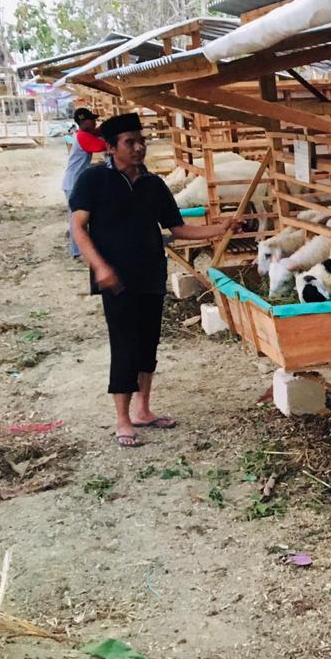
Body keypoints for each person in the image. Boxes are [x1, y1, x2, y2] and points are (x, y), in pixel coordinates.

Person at [68, 113, 240, 448]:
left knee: (148, 343)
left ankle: (143, 410)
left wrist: (219, 229)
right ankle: (122, 418)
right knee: (124, 344)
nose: (138, 147)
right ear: (111, 147)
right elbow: (78, 227)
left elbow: (178, 229)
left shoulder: (153, 184)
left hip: (150, 274)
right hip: (115, 278)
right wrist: (99, 267)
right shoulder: (93, 181)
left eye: (140, 140)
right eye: (129, 142)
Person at [63, 108, 107, 257]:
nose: (95, 122)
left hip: (74, 181)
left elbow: (97, 133)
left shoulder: (83, 134)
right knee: (77, 219)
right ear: (83, 121)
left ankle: (78, 249)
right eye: (92, 120)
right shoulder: (83, 137)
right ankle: (77, 251)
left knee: (80, 217)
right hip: (73, 182)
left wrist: (106, 128)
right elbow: (102, 146)